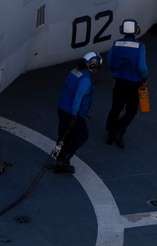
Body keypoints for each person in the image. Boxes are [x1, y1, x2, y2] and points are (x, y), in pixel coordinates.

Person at [54, 51, 102, 174]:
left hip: (62, 108)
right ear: (92, 65)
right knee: (82, 135)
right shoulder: (86, 80)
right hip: (72, 112)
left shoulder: (74, 71)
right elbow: (78, 98)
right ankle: (64, 160)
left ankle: (59, 159)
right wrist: (75, 116)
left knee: (63, 134)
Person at [105, 19, 148, 149]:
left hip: (119, 81)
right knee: (131, 110)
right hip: (134, 83)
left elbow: (109, 63)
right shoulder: (140, 46)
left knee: (116, 108)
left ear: (121, 30)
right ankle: (119, 131)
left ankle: (110, 133)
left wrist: (118, 70)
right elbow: (142, 67)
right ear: (136, 30)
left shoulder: (116, 44)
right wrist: (144, 77)